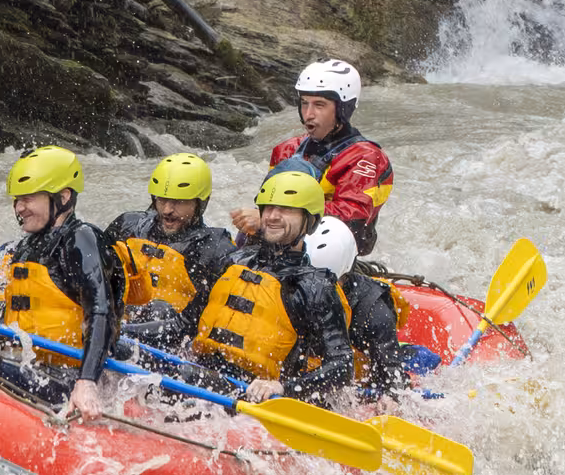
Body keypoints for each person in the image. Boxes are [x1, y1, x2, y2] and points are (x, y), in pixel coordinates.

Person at [0, 145, 122, 420]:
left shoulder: (81, 239)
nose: (19, 208)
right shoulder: (24, 247)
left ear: (63, 197)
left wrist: (86, 381)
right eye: (17, 200)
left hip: (68, 377)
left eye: (27, 198)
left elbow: (101, 311)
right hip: (29, 364)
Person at [194, 167, 354, 404]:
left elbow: (342, 367)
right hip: (201, 376)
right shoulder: (234, 261)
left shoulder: (314, 286)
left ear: (310, 223)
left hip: (259, 397)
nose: (272, 216)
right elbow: (184, 322)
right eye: (268, 207)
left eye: (286, 209)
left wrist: (283, 387)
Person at [233, 59, 394, 257]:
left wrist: (275, 218)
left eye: (319, 105)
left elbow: (353, 222)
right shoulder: (286, 150)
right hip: (283, 243)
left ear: (343, 109)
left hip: (330, 255)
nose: (308, 114)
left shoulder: (365, 158)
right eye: (304, 103)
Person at [106, 152, 237, 347]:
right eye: (162, 199)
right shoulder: (128, 226)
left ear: (200, 203)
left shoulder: (214, 248)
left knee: (160, 309)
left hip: (169, 345)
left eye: (178, 201)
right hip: (119, 324)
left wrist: (117, 332)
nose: (167, 210)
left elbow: (193, 325)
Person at [302, 216, 421, 394]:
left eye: (327, 284)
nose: (317, 291)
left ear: (345, 273)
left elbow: (391, 377)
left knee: (420, 360)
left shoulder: (374, 312)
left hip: (362, 366)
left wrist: (390, 396)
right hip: (319, 362)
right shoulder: (294, 286)